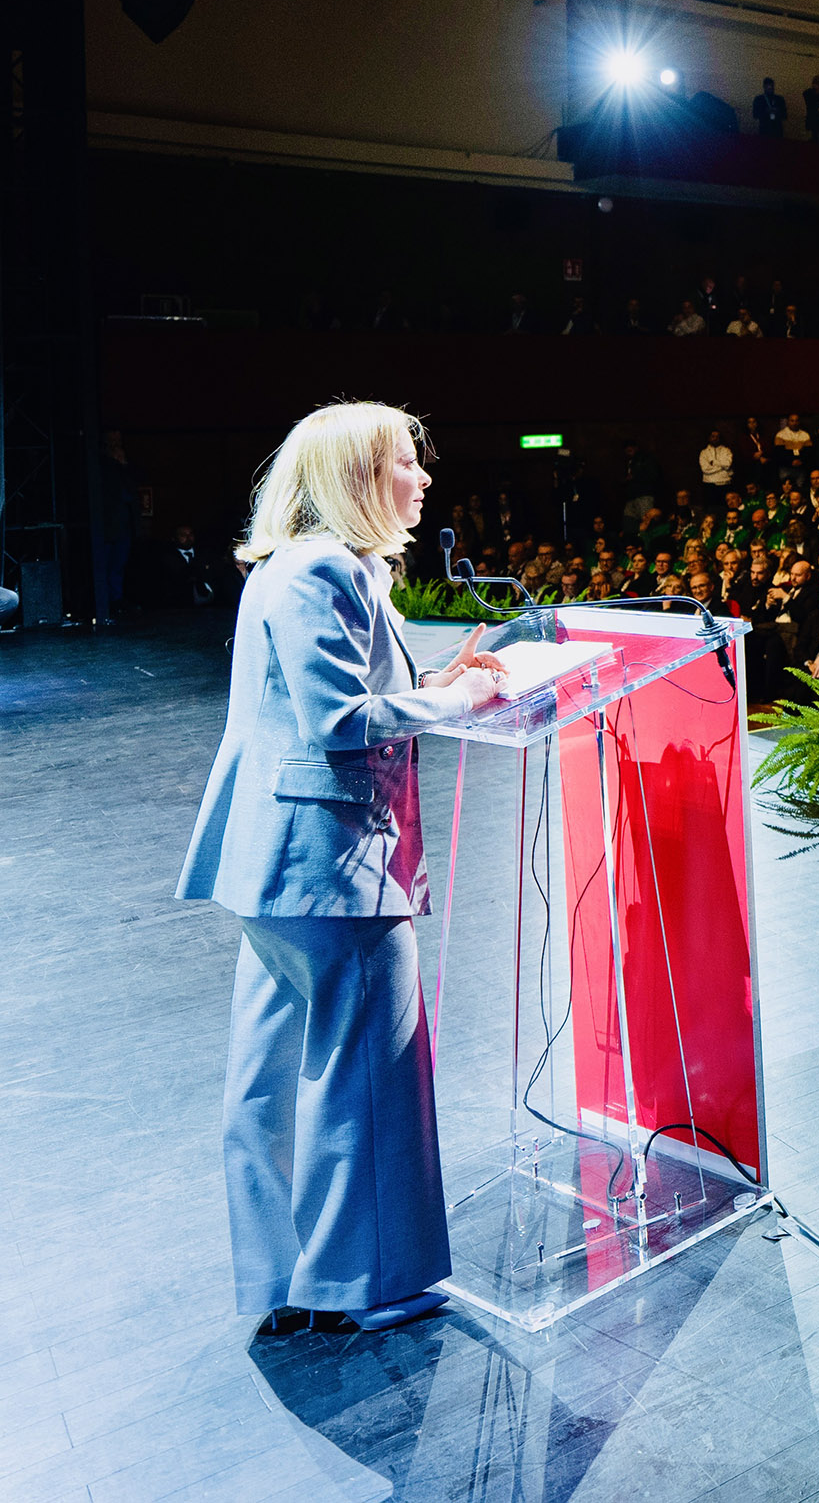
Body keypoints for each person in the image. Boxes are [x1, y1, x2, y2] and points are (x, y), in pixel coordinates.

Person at [174, 401, 512, 1337]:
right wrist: (464, 702)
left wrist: (432, 686)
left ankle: (287, 1278)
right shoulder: (324, 569)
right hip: (333, 863)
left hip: (282, 865)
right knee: (368, 1074)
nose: (424, 477)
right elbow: (338, 722)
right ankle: (363, 1285)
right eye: (406, 461)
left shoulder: (303, 565)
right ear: (358, 476)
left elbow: (333, 694)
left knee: (276, 1075)